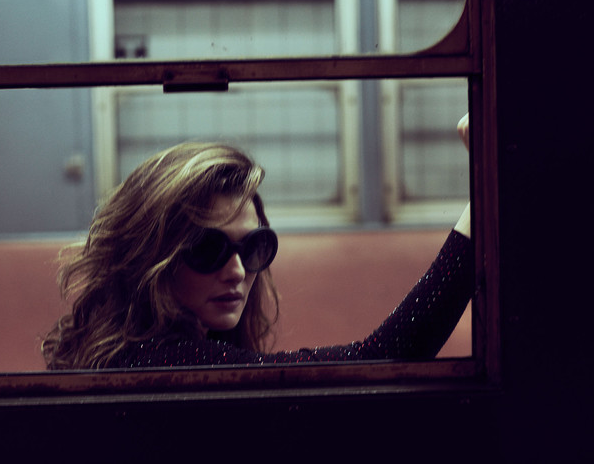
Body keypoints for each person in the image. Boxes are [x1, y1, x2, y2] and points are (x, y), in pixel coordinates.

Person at [42, 115, 474, 370]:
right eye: (208, 250)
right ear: (152, 256)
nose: (236, 271)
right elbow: (382, 359)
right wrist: (484, 197)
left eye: (253, 249)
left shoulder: (133, 350)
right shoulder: (156, 362)